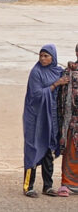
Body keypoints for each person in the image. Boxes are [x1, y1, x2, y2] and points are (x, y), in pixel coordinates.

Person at [22, 44, 68, 198]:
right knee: (33, 150)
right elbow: (36, 95)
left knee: (48, 149)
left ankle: (47, 186)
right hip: (35, 117)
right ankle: (28, 186)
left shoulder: (57, 71)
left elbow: (68, 79)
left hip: (51, 117)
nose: (42, 59)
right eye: (40, 55)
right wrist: (55, 85)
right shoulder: (36, 72)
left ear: (53, 57)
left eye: (46, 56)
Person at [57, 43, 78, 197]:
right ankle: (68, 184)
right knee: (71, 150)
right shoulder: (68, 72)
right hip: (71, 119)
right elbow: (61, 97)